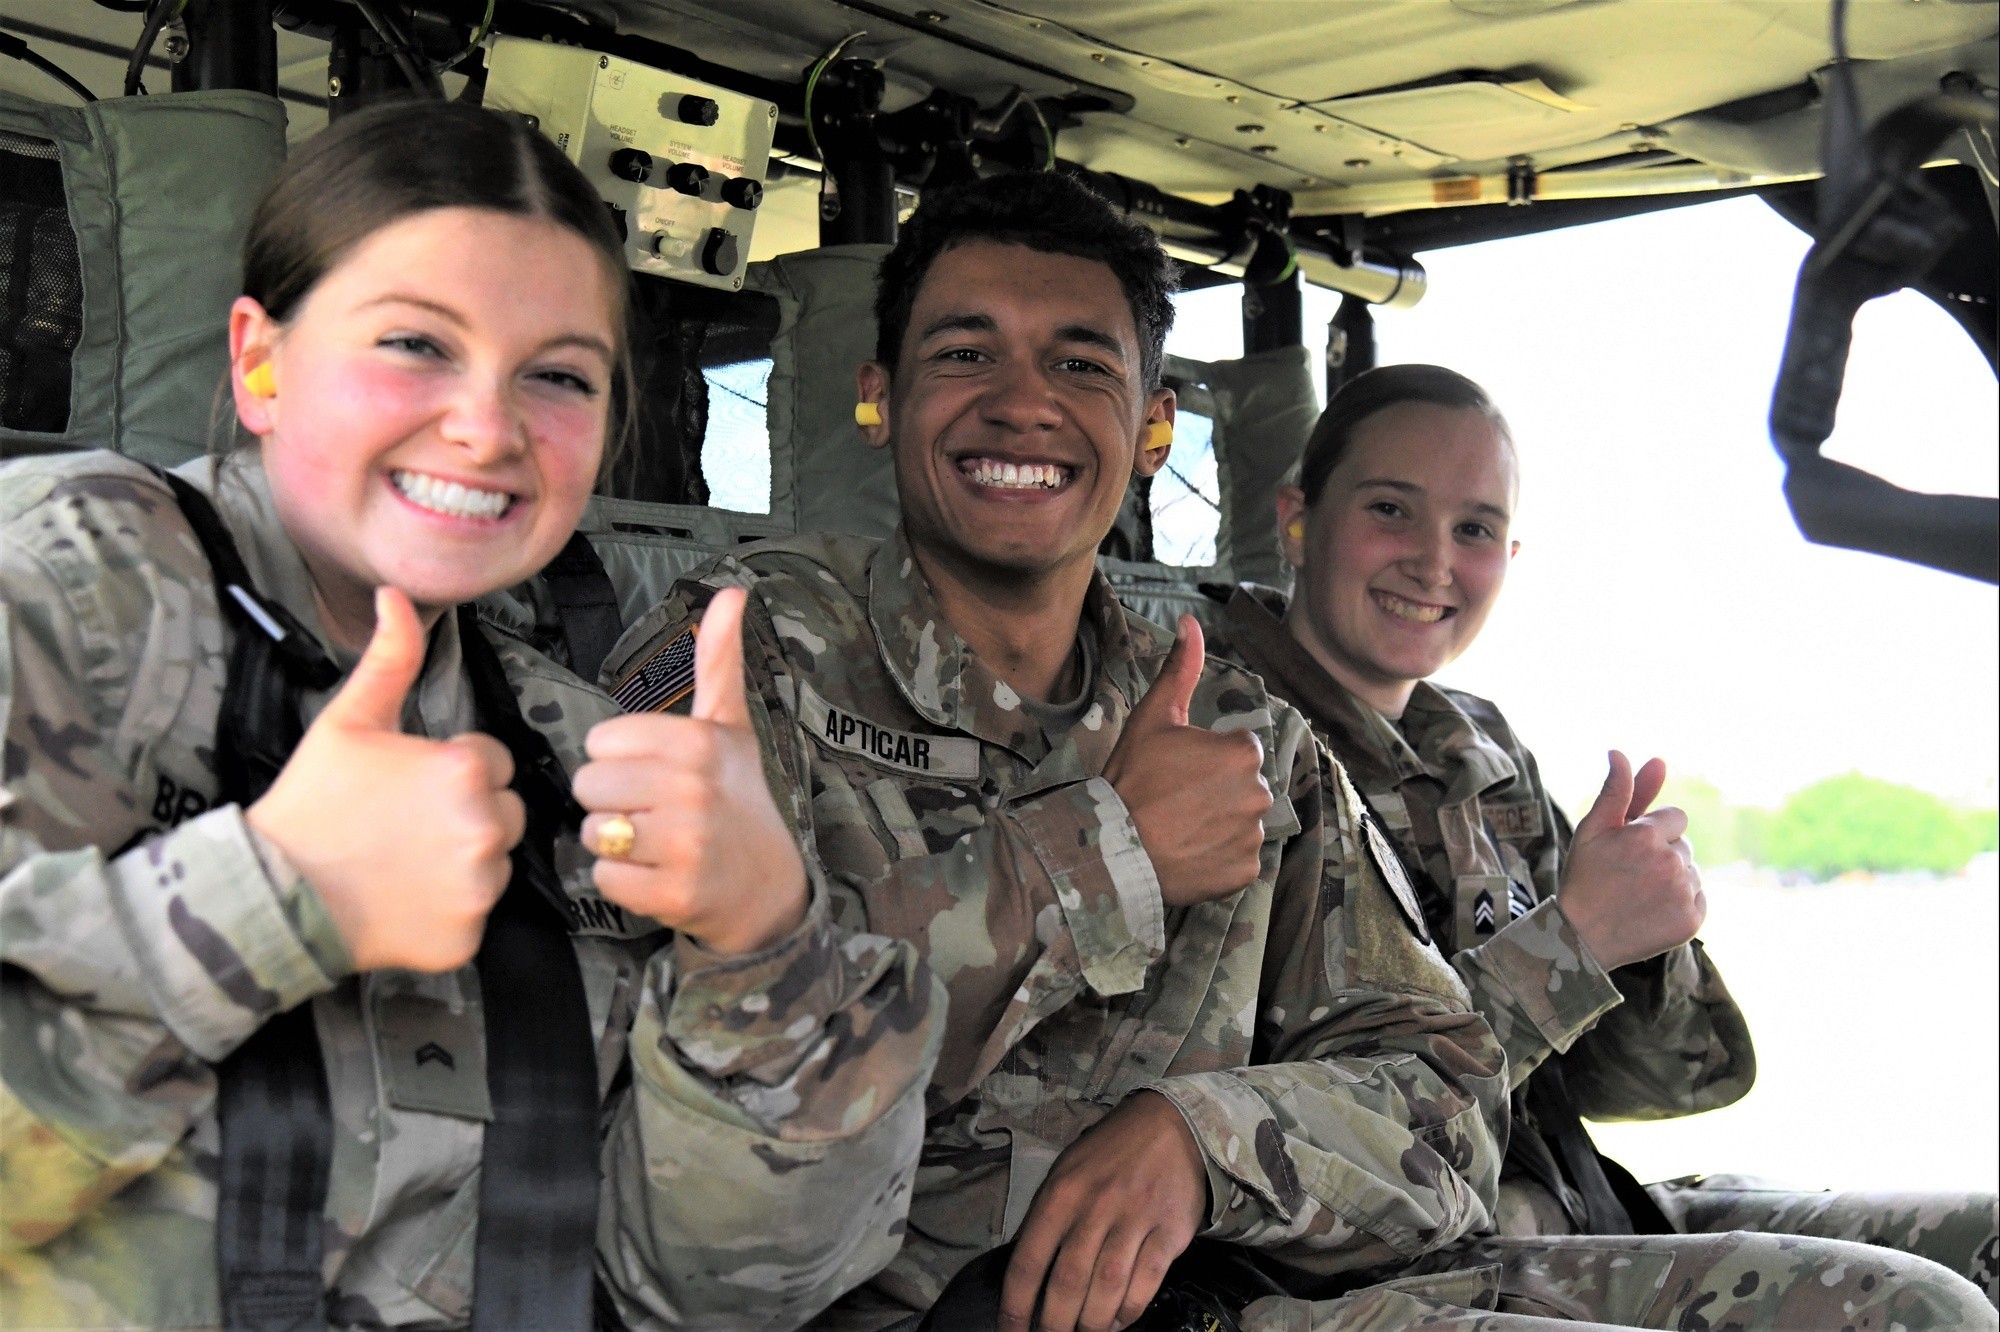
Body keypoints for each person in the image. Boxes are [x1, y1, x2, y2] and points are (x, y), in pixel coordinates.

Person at [0, 101, 940, 1330]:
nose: (487, 428)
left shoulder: (560, 747)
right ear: (259, 362)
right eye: (414, 344)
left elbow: (712, 1295)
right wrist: (276, 897)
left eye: (557, 376)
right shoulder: (73, 585)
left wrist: (761, 945)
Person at [598, 170, 1511, 1332]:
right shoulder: (739, 655)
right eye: (965, 355)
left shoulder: (1235, 729)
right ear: (877, 399)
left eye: (1080, 365)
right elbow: (662, 1115)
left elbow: (1448, 1105)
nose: (1021, 405)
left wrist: (1201, 1142)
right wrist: (1105, 853)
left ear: (1152, 429)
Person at [1213, 361, 1997, 1325]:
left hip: (1572, 1206)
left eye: (1476, 529)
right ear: (1298, 516)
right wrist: (1570, 943)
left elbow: (1661, 1081)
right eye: (1390, 510)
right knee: (1923, 1317)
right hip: (1387, 1266)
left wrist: (1646, 936)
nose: (1434, 561)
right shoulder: (1220, 734)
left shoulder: (1476, 746)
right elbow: (1289, 1118)